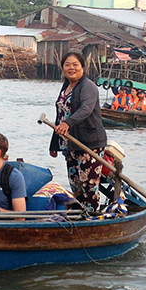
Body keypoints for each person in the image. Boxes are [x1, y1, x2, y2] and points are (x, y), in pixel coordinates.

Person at [49, 51, 108, 214]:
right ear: (62, 68)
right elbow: (60, 116)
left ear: (82, 67)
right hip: (70, 145)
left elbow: (85, 109)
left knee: (89, 186)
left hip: (89, 143)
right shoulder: (66, 87)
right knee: (76, 186)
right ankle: (81, 217)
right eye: (67, 65)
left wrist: (67, 123)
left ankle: (93, 218)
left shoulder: (88, 86)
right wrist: (55, 143)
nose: (71, 68)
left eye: (75, 64)